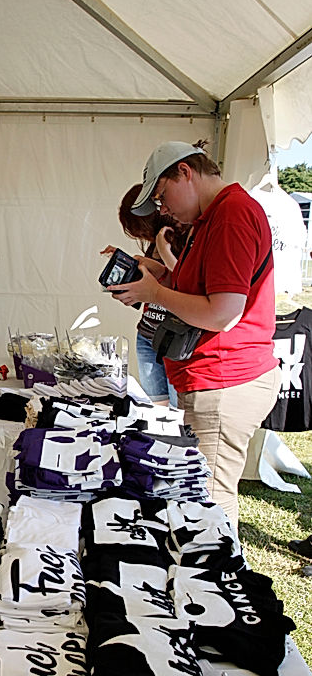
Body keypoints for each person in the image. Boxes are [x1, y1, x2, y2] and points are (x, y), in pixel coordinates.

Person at [105, 140, 280, 528]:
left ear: (185, 172)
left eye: (162, 197)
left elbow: (223, 313)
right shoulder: (214, 217)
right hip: (213, 378)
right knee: (201, 496)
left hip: (224, 379)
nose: (163, 211)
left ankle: (219, 583)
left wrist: (155, 292)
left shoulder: (231, 215)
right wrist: (159, 274)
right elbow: (205, 290)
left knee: (210, 506)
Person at [103, 182, 190, 405]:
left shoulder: (179, 237)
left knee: (177, 412)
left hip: (174, 339)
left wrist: (162, 250)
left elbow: (184, 282)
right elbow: (155, 280)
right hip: (148, 334)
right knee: (156, 409)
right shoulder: (156, 243)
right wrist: (131, 264)